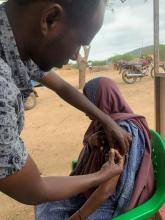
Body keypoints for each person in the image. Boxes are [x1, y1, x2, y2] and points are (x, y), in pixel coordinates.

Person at [0, 0, 132, 206]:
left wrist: (106, 120)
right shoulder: (2, 88)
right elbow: (34, 189)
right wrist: (101, 176)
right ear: (50, 19)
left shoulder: (17, 45)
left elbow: (62, 87)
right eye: (79, 41)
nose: (74, 55)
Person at [35, 77, 154, 220]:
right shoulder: (101, 125)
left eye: (89, 102)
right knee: (43, 201)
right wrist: (90, 145)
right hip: (92, 190)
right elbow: (81, 166)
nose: (85, 110)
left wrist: (77, 217)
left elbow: (107, 191)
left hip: (109, 201)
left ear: (102, 101)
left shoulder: (121, 132)